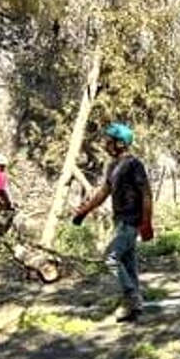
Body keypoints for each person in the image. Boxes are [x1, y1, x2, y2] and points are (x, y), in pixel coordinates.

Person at [71, 122, 154, 322]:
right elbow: (102, 193)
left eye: (109, 141)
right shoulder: (113, 167)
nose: (105, 144)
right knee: (128, 262)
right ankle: (135, 306)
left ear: (120, 143)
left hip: (130, 221)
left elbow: (146, 194)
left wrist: (146, 221)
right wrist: (84, 211)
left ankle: (131, 297)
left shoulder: (133, 164)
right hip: (119, 220)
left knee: (111, 258)